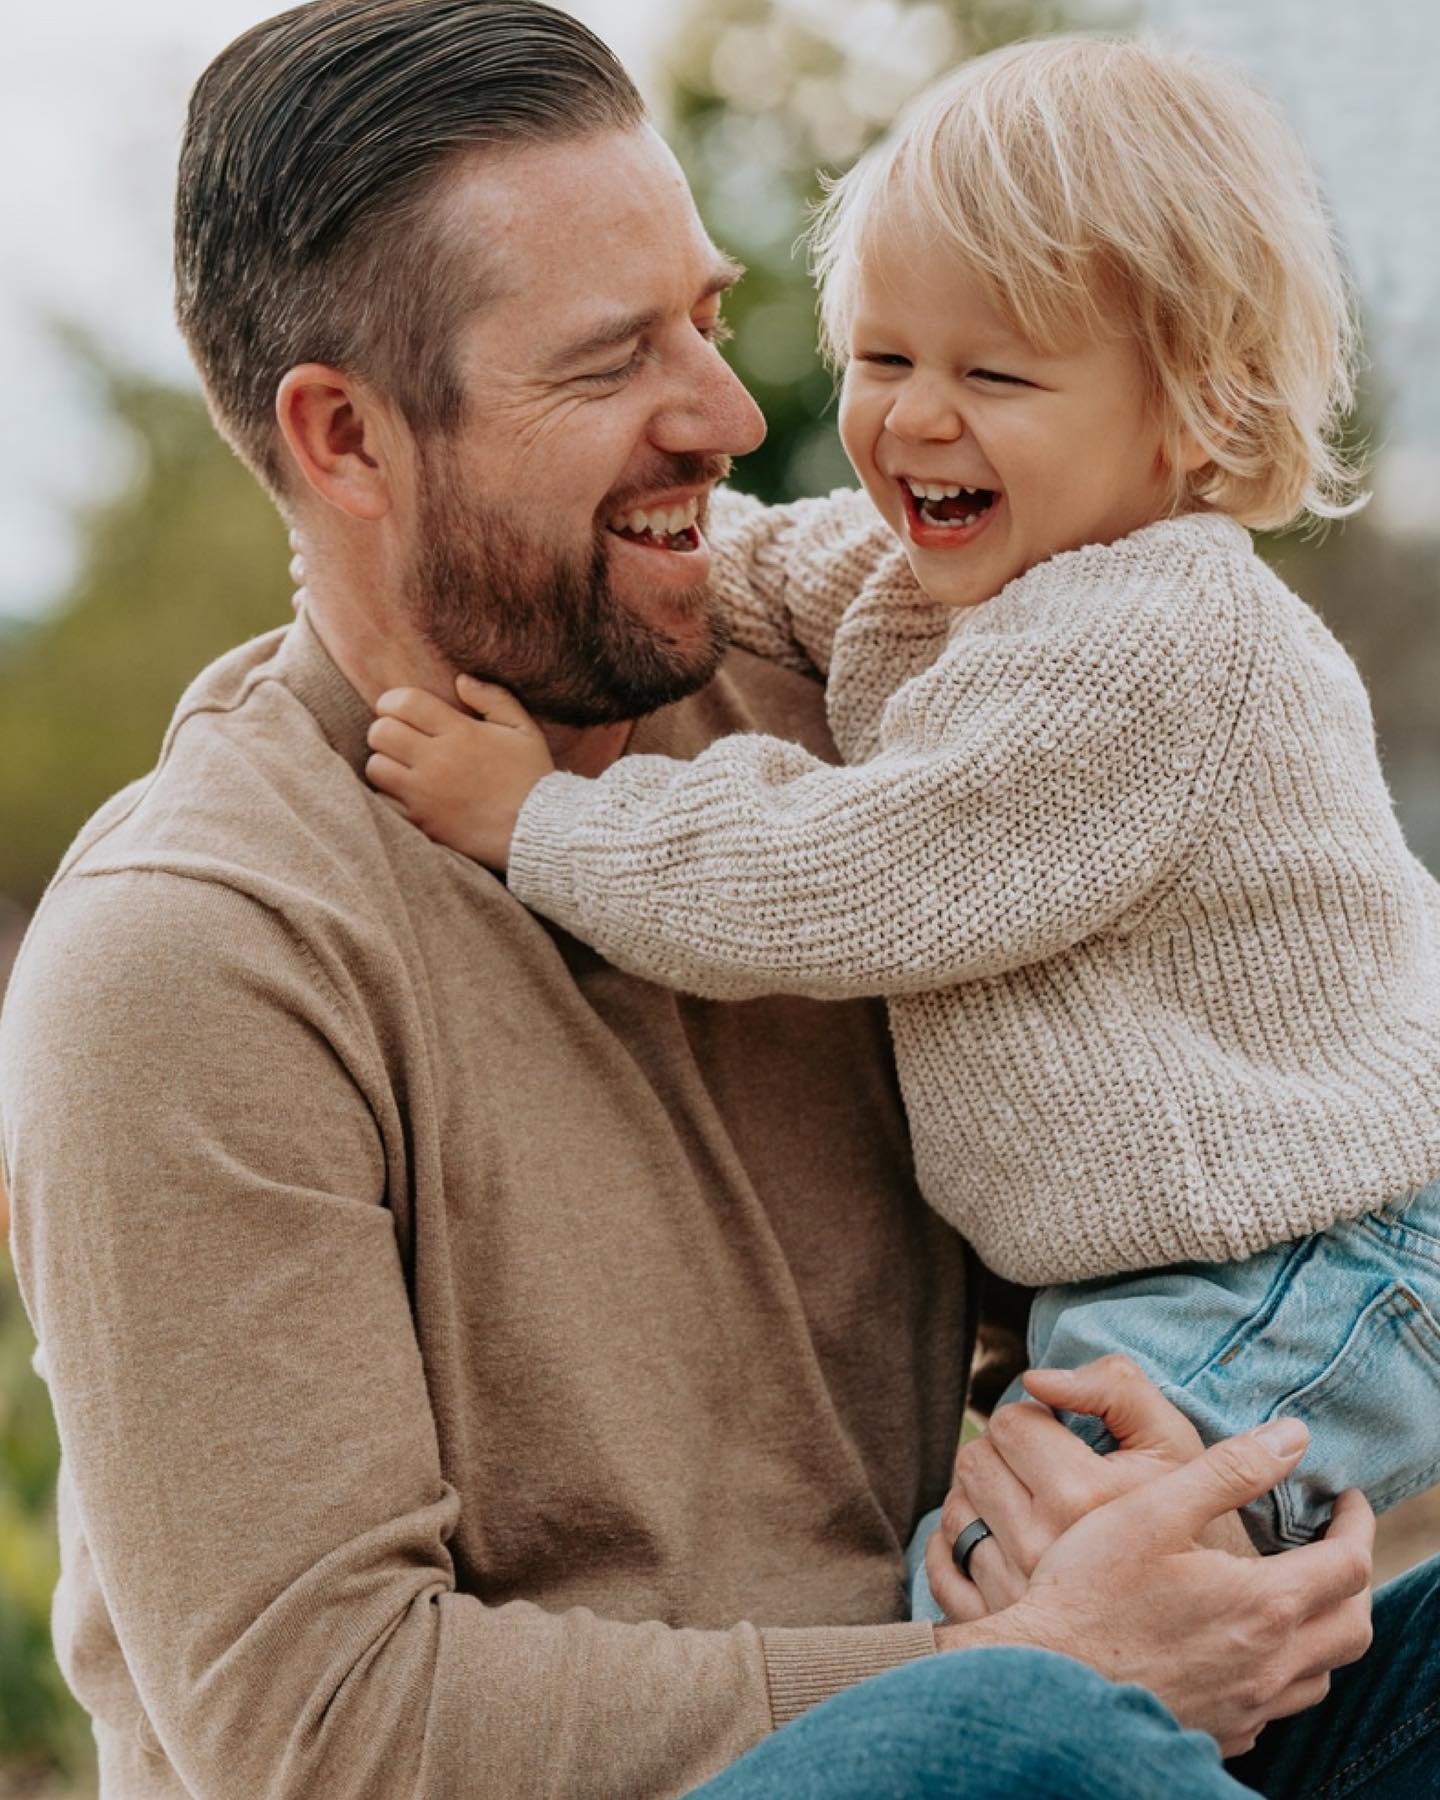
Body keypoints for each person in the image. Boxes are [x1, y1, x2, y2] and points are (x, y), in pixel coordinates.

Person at [0, 4, 1425, 1795]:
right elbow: (324, 1730)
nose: (739, 417)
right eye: (610, 368)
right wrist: (1015, 1662)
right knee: (1023, 1738)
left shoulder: (851, 723)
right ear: (346, 440)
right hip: (877, 1735)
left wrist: (1184, 1518)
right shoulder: (194, 954)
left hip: (1013, 1688)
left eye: (712, 318)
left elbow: (1157, 1112)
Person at [361, 33, 1440, 1612]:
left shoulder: (1156, 638)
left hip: (1298, 1264)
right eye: (883, 358)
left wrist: (546, 824)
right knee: (1065, 1611)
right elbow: (751, 563)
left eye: (993, 375)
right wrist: (578, 542)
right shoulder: (947, 577)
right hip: (1171, 1272)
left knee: (1020, 1599)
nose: (916, 421)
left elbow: (858, 870)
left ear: (1195, 418)